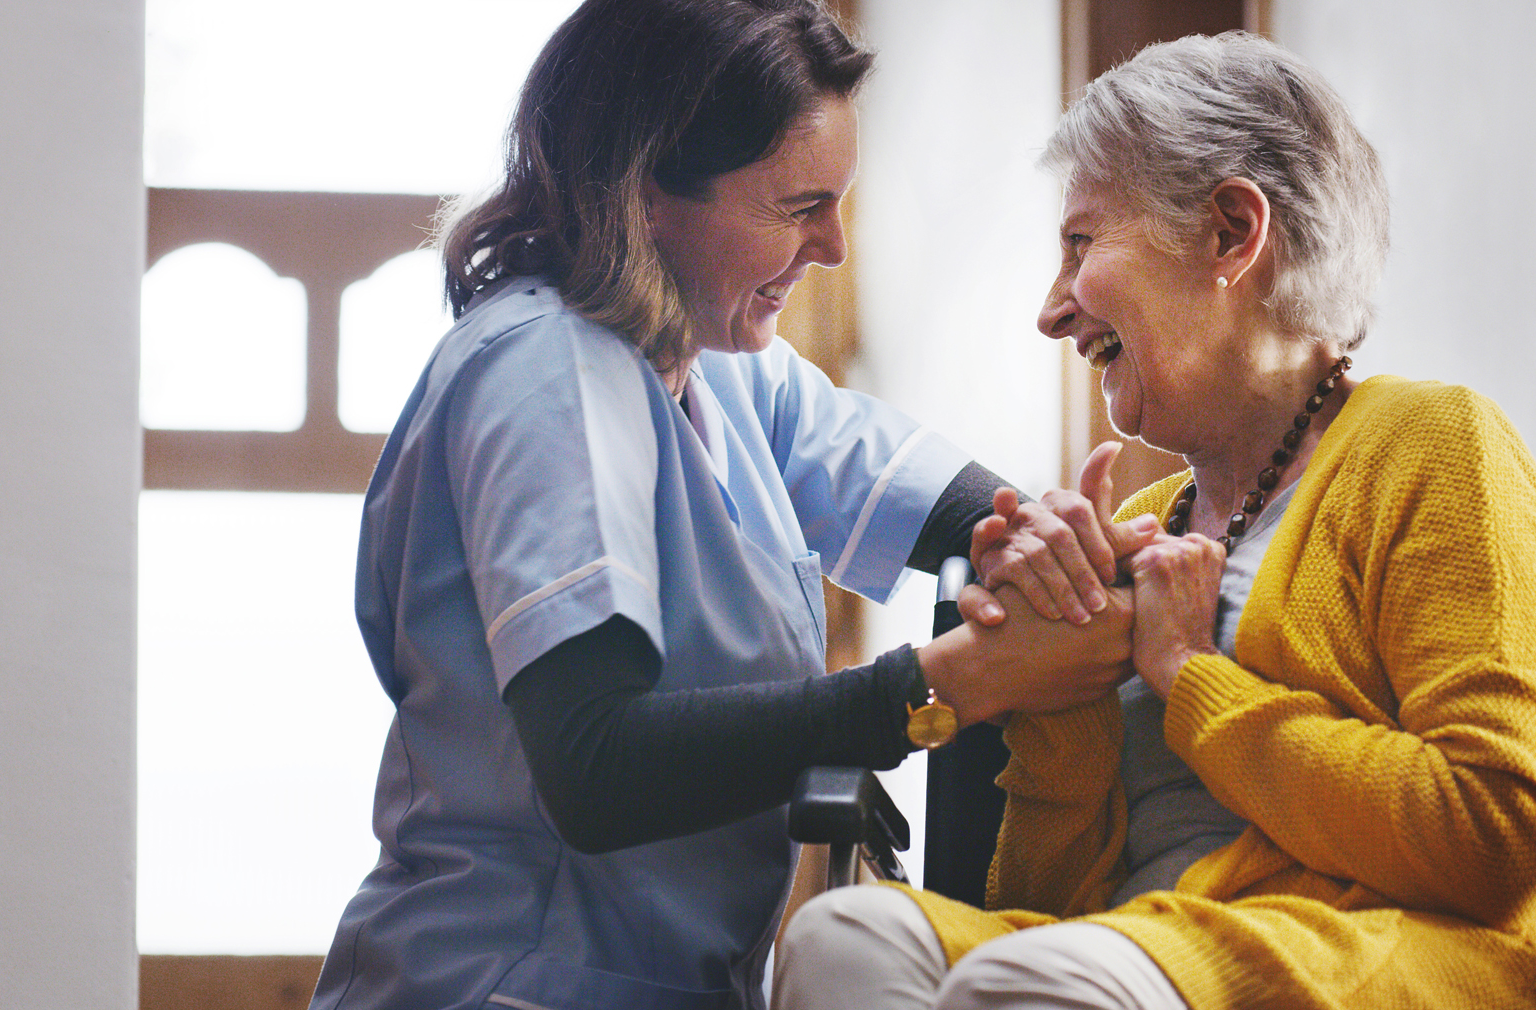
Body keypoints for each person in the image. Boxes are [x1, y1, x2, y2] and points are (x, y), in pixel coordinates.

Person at [775, 31, 1536, 1009]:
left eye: (1080, 245)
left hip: (1415, 955)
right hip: (1142, 950)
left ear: (1233, 231)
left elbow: (1498, 838)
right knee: (844, 938)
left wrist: (1193, 678)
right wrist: (1064, 697)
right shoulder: (1146, 523)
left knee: (1035, 981)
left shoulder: (1436, 446)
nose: (1052, 312)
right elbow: (1043, 902)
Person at [308, 3, 1145, 1008]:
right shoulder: (547, 376)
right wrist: (941, 687)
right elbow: (596, 764)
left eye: (839, 204)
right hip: (507, 980)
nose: (833, 246)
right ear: (647, 188)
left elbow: (911, 484)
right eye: (797, 208)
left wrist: (1049, 539)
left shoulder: (714, 363)